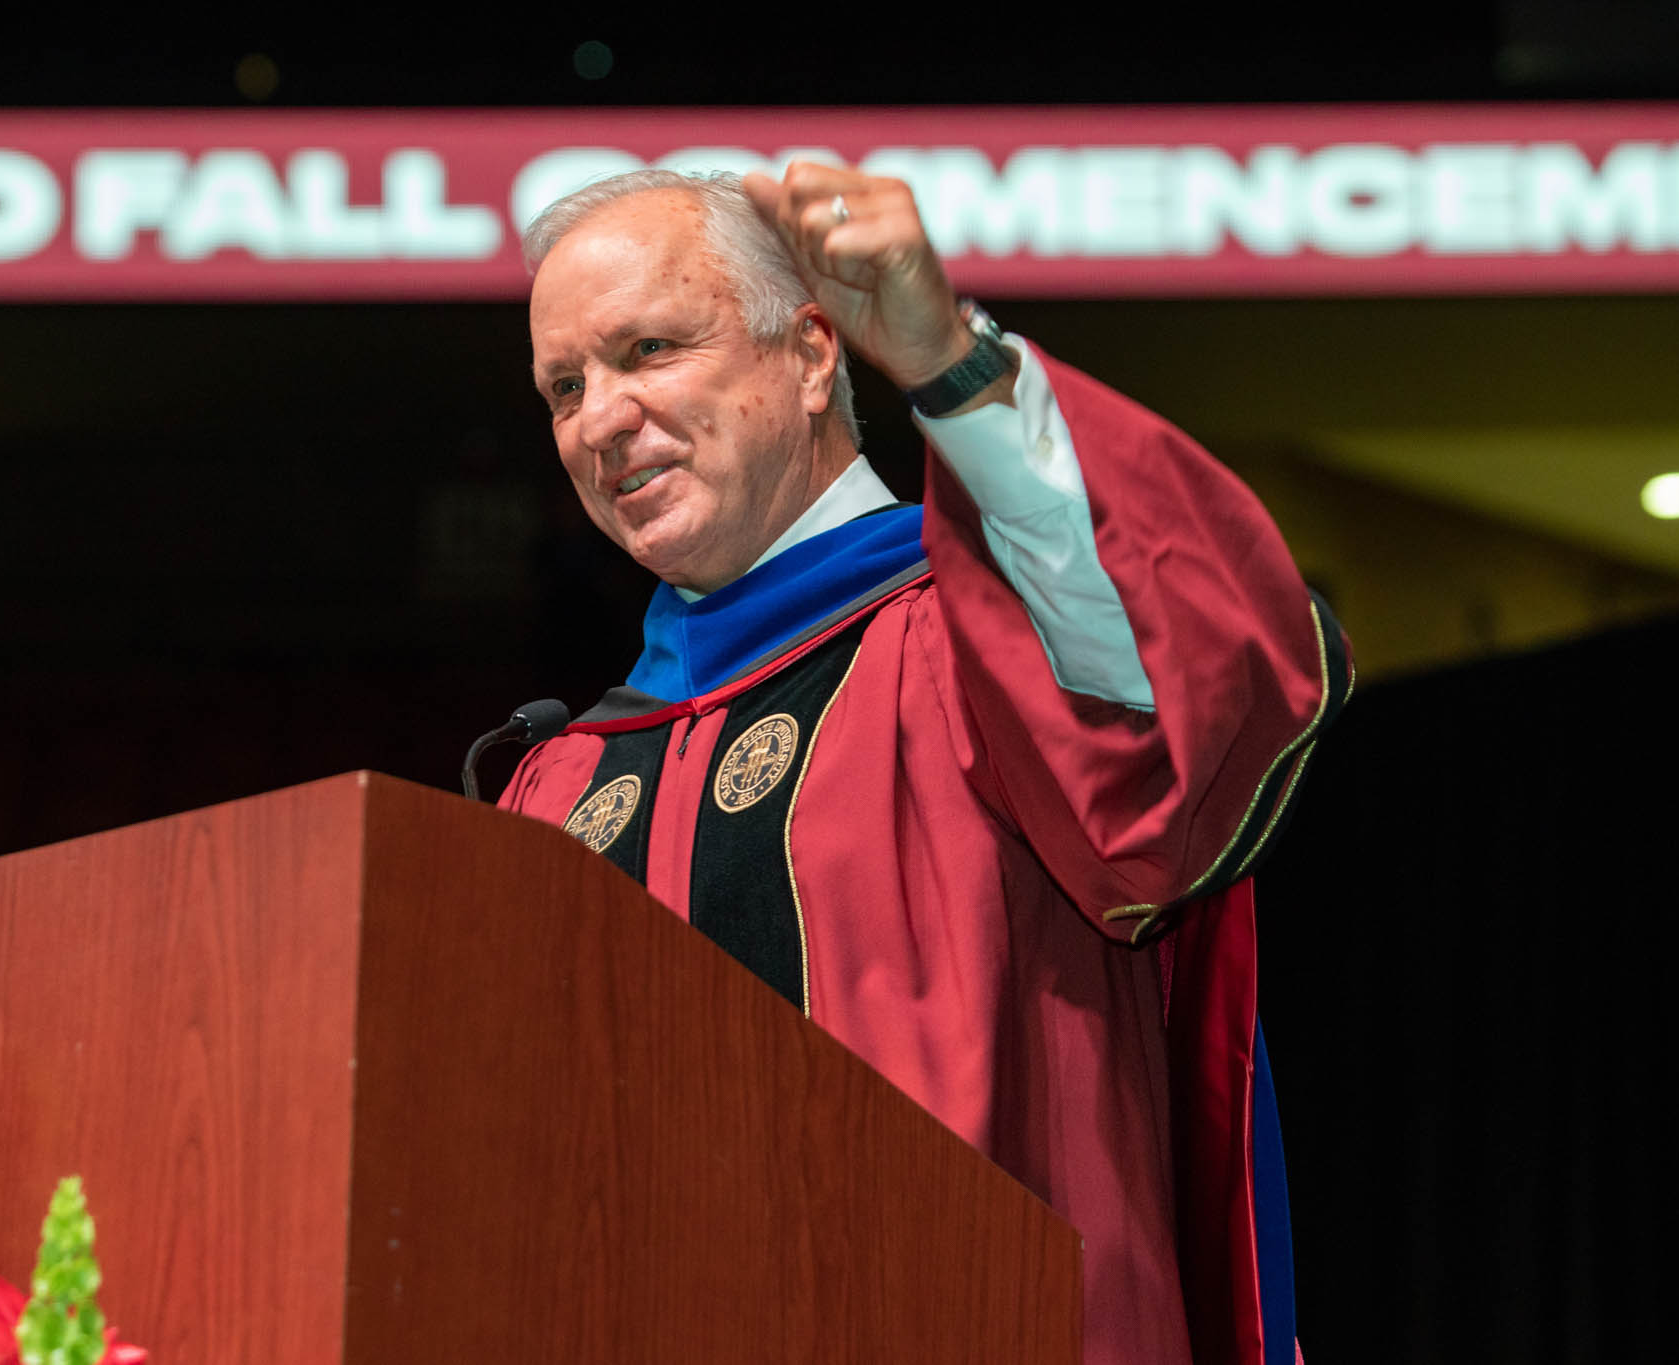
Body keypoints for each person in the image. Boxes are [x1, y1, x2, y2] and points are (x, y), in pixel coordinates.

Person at [498, 162, 1352, 1365]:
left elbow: (1187, 689)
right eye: (564, 386)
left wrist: (949, 362)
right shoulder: (569, 780)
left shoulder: (984, 651)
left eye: (648, 349)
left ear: (807, 357)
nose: (598, 417)